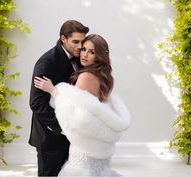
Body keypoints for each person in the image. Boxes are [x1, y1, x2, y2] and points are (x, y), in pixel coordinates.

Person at [34, 34, 131, 176]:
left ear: (99, 56)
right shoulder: (105, 77)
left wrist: (54, 91)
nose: (84, 55)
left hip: (84, 148)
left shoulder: (86, 76)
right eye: (84, 49)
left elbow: (75, 116)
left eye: (92, 52)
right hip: (97, 149)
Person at [29, 20, 89, 176]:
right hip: (51, 137)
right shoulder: (46, 62)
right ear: (63, 39)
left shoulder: (81, 59)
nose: (79, 46)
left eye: (82, 42)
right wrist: (63, 128)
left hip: (74, 138)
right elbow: (37, 104)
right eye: (75, 42)